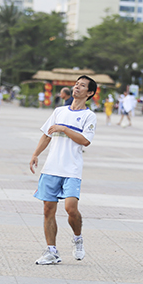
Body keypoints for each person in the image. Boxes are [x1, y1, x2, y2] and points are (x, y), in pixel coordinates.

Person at [29, 76, 97, 265]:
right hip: (51, 167)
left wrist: (64, 129)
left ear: (89, 93)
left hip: (72, 169)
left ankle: (77, 238)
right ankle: (52, 251)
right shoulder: (59, 111)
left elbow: (85, 140)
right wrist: (36, 154)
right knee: (47, 209)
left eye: (82, 86)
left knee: (70, 209)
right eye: (77, 84)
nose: (77, 87)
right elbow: (46, 134)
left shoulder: (89, 116)